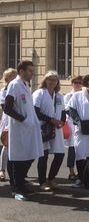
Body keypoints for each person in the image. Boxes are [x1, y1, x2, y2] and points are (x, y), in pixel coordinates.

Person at [4, 61, 45, 200]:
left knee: (32, 154)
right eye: (29, 71)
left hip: (30, 128)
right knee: (19, 159)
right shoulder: (14, 85)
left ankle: (21, 182)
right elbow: (7, 108)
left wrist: (32, 122)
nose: (32, 74)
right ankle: (17, 189)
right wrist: (23, 120)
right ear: (21, 71)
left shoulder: (26, 85)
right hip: (20, 129)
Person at [33, 71, 66, 191]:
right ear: (45, 80)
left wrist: (62, 121)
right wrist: (50, 120)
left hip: (56, 128)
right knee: (44, 155)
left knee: (60, 154)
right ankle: (42, 182)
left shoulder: (59, 96)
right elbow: (35, 111)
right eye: (49, 79)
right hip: (43, 127)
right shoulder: (39, 93)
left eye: (54, 79)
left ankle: (51, 178)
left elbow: (63, 111)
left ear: (57, 82)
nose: (52, 82)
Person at [0, 68, 18, 182]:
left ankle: (16, 171)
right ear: (7, 78)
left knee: (17, 146)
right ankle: (2, 170)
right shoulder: (4, 91)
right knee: (6, 146)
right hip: (8, 120)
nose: (14, 78)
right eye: (12, 76)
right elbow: (4, 107)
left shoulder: (20, 88)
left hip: (18, 122)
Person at [64, 76, 82, 181]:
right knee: (72, 150)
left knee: (81, 150)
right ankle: (71, 172)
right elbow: (67, 109)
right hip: (72, 124)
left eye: (80, 82)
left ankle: (81, 171)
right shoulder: (68, 96)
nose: (78, 84)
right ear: (72, 83)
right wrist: (77, 118)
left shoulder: (84, 95)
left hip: (82, 125)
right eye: (75, 82)